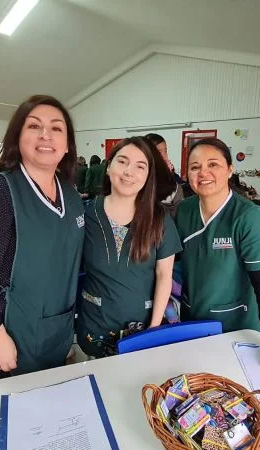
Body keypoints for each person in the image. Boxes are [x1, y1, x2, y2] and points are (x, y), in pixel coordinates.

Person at [0, 94, 84, 379]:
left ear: (67, 145)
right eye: (34, 126)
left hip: (57, 328)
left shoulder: (70, 194)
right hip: (12, 332)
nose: (46, 135)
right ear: (17, 136)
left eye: (57, 128)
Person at [175, 137, 260, 385]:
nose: (204, 173)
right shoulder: (185, 210)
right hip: (193, 317)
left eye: (213, 164)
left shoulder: (248, 217)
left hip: (235, 324)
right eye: (195, 167)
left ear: (230, 170)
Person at [77, 137, 181, 358]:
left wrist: (153, 329)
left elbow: (164, 276)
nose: (129, 172)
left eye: (140, 166)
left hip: (142, 325)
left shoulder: (159, 219)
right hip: (96, 324)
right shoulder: (86, 214)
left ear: (148, 176)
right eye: (122, 161)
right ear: (108, 167)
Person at [144, 133, 188, 212]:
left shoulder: (169, 171)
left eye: (165, 151)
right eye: (159, 152)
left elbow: (178, 183)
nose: (164, 155)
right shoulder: (143, 175)